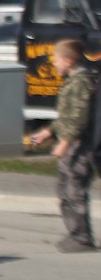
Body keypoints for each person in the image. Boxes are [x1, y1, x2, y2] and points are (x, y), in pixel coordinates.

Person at [28, 39, 98, 253]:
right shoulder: (73, 81)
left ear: (68, 61)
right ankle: (75, 233)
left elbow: (79, 118)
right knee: (65, 189)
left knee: (74, 190)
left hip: (80, 146)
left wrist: (64, 143)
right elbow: (66, 118)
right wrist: (48, 132)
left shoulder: (81, 83)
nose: (54, 64)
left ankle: (82, 237)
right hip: (72, 143)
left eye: (56, 60)